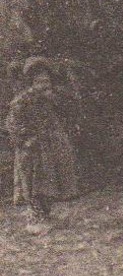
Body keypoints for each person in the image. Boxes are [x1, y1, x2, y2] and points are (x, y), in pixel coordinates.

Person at [6, 58, 81, 229]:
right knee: (33, 183)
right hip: (32, 148)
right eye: (39, 82)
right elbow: (13, 123)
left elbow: (68, 112)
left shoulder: (52, 99)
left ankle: (46, 215)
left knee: (51, 181)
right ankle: (36, 217)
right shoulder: (22, 100)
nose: (43, 85)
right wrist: (25, 139)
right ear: (32, 83)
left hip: (51, 146)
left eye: (46, 81)